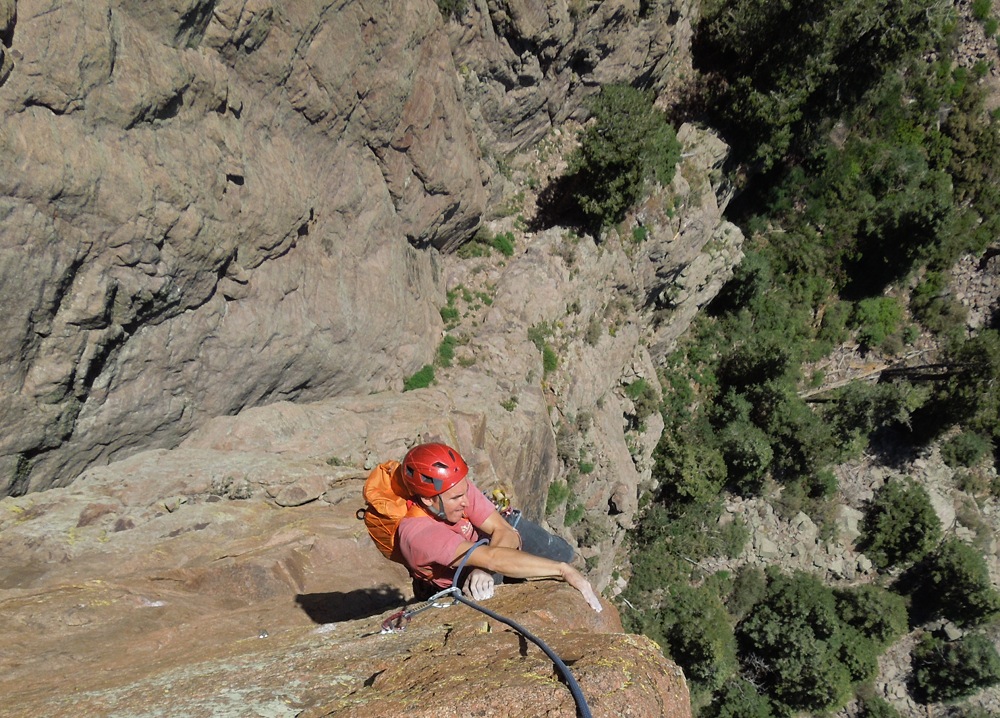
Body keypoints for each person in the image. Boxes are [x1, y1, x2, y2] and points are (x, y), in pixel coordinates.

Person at [396, 442, 602, 613]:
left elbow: (504, 531)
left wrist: (483, 567)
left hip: (484, 556)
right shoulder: (420, 535)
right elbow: (493, 558)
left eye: (466, 491)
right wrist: (563, 572)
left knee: (563, 552)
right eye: (457, 498)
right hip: (461, 577)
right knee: (483, 594)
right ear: (427, 499)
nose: (467, 502)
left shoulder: (453, 487)